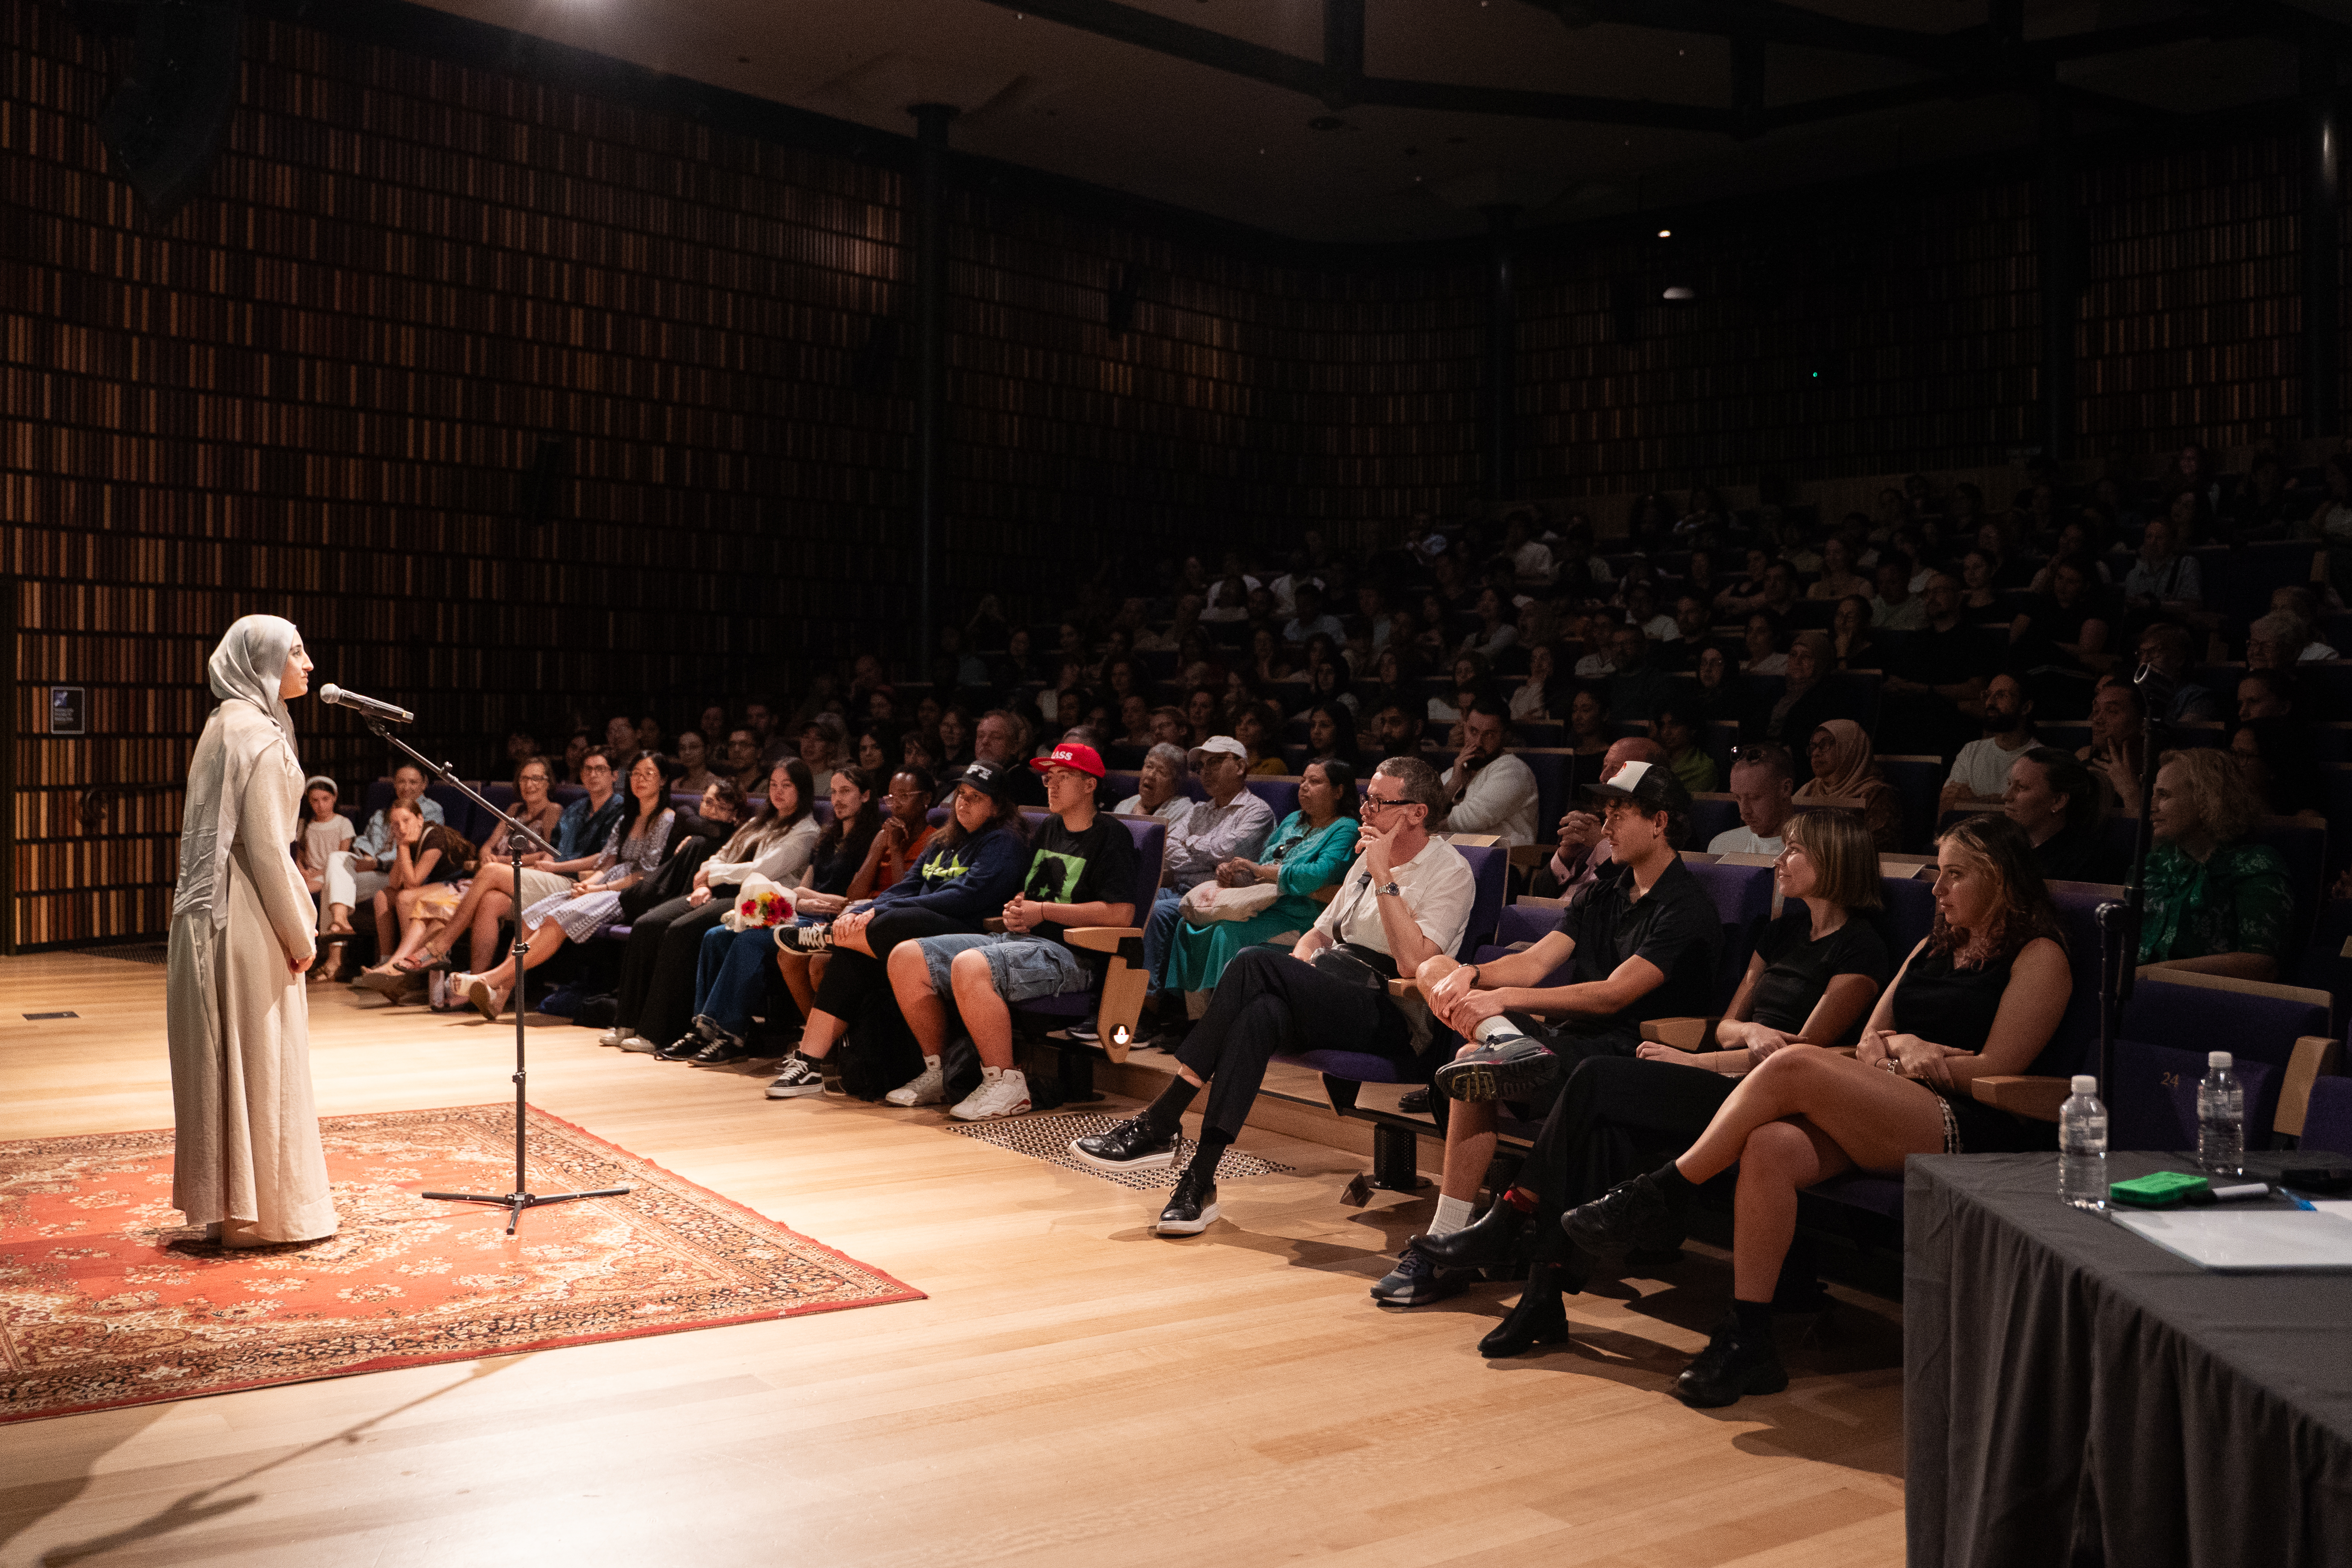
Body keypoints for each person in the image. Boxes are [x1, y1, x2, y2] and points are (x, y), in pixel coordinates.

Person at [1558, 814, 2071, 1402]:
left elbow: (1997, 1067)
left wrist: (1904, 1057)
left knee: (1795, 1062)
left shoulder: (2039, 954)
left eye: (1955, 875)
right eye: (1938, 873)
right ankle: (1748, 1338)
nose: (1937, 889)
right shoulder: (1933, 945)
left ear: (1999, 878)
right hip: (1893, 1098)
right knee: (1769, 1144)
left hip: (1970, 1119)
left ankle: (1662, 1190)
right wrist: (1903, 1047)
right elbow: (1872, 1040)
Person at [1390, 810, 1890, 1318]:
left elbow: (1801, 1056)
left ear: (1834, 859)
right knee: (1470, 1031)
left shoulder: (1859, 947)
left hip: (1746, 1083)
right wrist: (1472, 975)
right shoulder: (1778, 932)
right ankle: (1529, 1273)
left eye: (1794, 850)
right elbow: (1727, 1024)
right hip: (1700, 1058)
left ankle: (1513, 1237)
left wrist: (1699, 1061)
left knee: (1579, 1081)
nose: (1779, 860)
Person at [1068, 758, 1476, 1237]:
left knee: (1252, 962)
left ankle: (1162, 1119)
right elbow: (1318, 935)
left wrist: (1383, 872)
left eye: (1378, 802)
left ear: (1417, 812)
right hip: (1331, 986)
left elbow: (1412, 964)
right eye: (1366, 798)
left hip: (1392, 1010)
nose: (1365, 810)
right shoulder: (1365, 860)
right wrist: (1299, 971)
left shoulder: (1449, 871)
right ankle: (1198, 1181)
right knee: (1259, 1013)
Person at [167, 616, 335, 1248]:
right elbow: (267, 849)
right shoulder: (259, 737)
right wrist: (302, 933)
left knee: (228, 1064)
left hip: (208, 915)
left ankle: (233, 1209)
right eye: (296, 652)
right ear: (261, 662)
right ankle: (272, 1215)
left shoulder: (222, 725)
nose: (308, 664)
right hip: (247, 915)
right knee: (265, 1062)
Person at [879, 743, 1139, 1119]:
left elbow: (1121, 914)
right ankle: (938, 1071)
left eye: (1064, 777)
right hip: (1023, 941)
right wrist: (1019, 909)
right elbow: (1035, 895)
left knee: (971, 964)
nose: (1051, 784)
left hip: (1073, 955)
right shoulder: (1050, 827)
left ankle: (1006, 1082)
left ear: (1089, 785)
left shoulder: (1111, 835)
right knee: (907, 956)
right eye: (1049, 777)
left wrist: (1043, 911)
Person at [761, 761, 1031, 1101]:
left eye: (975, 797)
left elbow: (966, 896)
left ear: (997, 806)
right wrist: (867, 909)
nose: (963, 803)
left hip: (967, 929)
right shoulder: (944, 838)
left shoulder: (1004, 841)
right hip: (918, 924)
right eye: (961, 794)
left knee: (893, 921)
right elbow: (908, 886)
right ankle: (809, 1062)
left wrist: (882, 911)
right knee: (851, 954)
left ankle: (827, 936)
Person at [611, 759, 825, 1054]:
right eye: (774, 785)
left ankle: (657, 1032)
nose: (777, 791)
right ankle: (626, 1023)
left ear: (802, 790)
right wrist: (707, 879)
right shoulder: (760, 821)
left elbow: (763, 869)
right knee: (648, 923)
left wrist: (713, 875)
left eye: (786, 786)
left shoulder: (806, 830)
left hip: (761, 902)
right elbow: (721, 854)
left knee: (680, 931)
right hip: (725, 891)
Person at [671, 763, 873, 1065]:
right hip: (801, 912)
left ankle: (731, 1035)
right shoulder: (827, 836)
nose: (837, 799)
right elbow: (804, 887)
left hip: (832, 920)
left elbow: (853, 899)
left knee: (749, 940)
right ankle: (704, 1029)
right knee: (717, 936)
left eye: (846, 792)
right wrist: (804, 900)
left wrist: (809, 900)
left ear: (865, 796)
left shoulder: (868, 839)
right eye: (833, 792)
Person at [456, 753, 677, 1020]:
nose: (640, 780)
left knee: (557, 917)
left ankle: (490, 979)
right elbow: (607, 864)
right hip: (605, 883)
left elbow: (645, 874)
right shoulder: (627, 818)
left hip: (630, 893)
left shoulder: (666, 818)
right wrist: (587, 885)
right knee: (532, 916)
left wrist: (599, 890)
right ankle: (498, 997)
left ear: (663, 780)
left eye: (649, 774)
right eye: (636, 774)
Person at [1161, 759, 1361, 1007]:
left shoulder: (1346, 828)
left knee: (1225, 932)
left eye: (1315, 781)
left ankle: (1226, 1013)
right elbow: (1263, 864)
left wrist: (1260, 871)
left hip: (1301, 915)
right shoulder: (1293, 820)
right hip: (1263, 904)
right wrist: (1236, 874)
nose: (1304, 787)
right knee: (1189, 924)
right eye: (1303, 781)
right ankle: (1195, 1015)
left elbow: (1318, 874)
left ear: (1339, 791)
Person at [1140, 736, 1277, 1037]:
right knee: (1134, 903)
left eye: (1216, 762)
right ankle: (1113, 999)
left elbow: (1230, 851)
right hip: (1183, 886)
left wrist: (1192, 846)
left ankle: (1150, 1010)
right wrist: (1208, 857)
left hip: (1220, 895)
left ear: (1240, 766)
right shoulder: (1199, 810)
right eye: (1202, 765)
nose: (1206, 771)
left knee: (1158, 912)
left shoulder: (1257, 811)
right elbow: (1169, 848)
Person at [2139, 748, 2295, 981]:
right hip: (2141, 990)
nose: (2151, 806)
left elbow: (2261, 965)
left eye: (2164, 795)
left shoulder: (2254, 864)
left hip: (2212, 998)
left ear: (2206, 800)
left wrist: (2150, 975)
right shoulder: (2155, 863)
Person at [349, 801, 474, 996]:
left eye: (406, 821)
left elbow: (413, 883)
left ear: (420, 819)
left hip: (457, 883)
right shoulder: (406, 839)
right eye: (395, 824)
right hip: (434, 886)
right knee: (384, 896)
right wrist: (402, 847)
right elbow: (394, 882)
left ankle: (407, 972)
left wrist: (404, 847)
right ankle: (386, 961)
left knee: (406, 898)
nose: (401, 828)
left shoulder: (435, 837)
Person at [317, 762, 446, 946]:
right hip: (376, 873)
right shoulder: (382, 814)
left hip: (403, 874)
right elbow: (364, 841)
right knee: (336, 859)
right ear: (394, 784)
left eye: (413, 782)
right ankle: (340, 921)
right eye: (401, 782)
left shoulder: (431, 811)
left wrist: (377, 864)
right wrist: (368, 857)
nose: (406, 787)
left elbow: (416, 849)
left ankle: (335, 955)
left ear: (424, 784)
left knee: (332, 885)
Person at [2003, 747, 2116, 882]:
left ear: (2058, 801)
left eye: (2022, 787)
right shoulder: (2004, 847)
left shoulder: (2085, 863)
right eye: (2009, 784)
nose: (2006, 796)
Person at [1437, 699, 1539, 846]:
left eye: (1489, 735)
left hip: (1504, 858)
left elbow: (1471, 819)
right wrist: (1453, 783)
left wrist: (1427, 830)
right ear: (1464, 728)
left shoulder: (1513, 770)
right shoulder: (1452, 773)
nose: (1478, 742)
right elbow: (1426, 811)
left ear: (1504, 737)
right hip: (1455, 854)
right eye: (1473, 731)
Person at [1793, 720, 1903, 851]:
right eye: (1814, 747)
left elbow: (1878, 851)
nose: (1816, 753)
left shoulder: (1877, 795)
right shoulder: (1808, 790)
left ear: (1850, 749)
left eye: (1824, 745)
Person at [1942, 672, 2036, 812]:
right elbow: (1947, 805)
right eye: (1988, 695)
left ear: (2026, 708)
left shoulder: (2039, 759)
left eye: (2002, 696)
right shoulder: (1971, 751)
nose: (1990, 702)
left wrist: (1973, 801)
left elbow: (2027, 814)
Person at [293, 775, 354, 974]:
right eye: (315, 801)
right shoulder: (305, 825)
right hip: (310, 874)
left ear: (334, 797)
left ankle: (320, 951)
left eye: (325, 799)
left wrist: (316, 874)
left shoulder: (343, 823)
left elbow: (342, 857)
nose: (320, 805)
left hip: (331, 874)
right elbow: (300, 855)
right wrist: (302, 871)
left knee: (304, 893)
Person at [1708, 743, 1795, 854]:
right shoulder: (1722, 846)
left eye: (1754, 797)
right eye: (1738, 797)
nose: (1744, 811)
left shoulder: (1813, 849)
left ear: (1786, 789)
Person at [2135, 622, 2223, 724]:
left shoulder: (2198, 697)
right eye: (2142, 653)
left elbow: (2182, 733)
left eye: (2154, 651)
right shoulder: (2137, 695)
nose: (2145, 659)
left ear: (2179, 659)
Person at [973, 709, 1049, 805]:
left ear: (1014, 747)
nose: (985, 742)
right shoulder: (972, 773)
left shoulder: (1023, 782)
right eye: (981, 736)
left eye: (996, 737)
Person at [1114, 743, 1196, 828]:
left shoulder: (1183, 811)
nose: (1151, 775)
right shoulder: (1125, 805)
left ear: (1175, 784)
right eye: (1149, 767)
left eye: (1161, 772)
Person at [1654, 700, 1719, 795]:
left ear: (1692, 729)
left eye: (1674, 725)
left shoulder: (1703, 768)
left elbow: (1681, 801)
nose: (1666, 732)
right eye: (1663, 725)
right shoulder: (1655, 758)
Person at [1231, 702, 1287, 775]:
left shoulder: (1274, 766)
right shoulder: (1229, 763)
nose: (1242, 728)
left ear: (1267, 731)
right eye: (1239, 723)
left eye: (1252, 723)